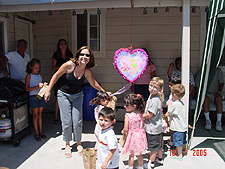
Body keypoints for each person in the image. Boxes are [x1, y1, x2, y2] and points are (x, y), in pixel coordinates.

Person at [44, 46, 108, 158]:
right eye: (82, 54)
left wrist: (104, 91)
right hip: (64, 94)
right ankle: (68, 144)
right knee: (67, 120)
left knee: (77, 120)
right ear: (78, 55)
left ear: (90, 58)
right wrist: (48, 90)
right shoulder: (69, 65)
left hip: (78, 95)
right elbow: (56, 75)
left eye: (87, 55)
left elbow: (93, 83)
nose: (84, 57)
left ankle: (78, 143)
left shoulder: (87, 71)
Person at [121, 93, 147, 169]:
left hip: (132, 137)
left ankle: (130, 166)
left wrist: (123, 131)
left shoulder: (128, 116)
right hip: (140, 136)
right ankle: (141, 166)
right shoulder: (141, 114)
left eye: (127, 105)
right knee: (139, 154)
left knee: (131, 154)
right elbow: (142, 125)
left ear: (134, 106)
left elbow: (126, 129)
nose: (124, 106)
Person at [143, 77, 164, 169]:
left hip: (153, 128)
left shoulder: (155, 100)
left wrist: (140, 117)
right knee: (158, 145)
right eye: (151, 85)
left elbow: (150, 114)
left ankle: (151, 163)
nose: (152, 88)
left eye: (155, 87)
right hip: (155, 127)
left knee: (153, 147)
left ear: (159, 90)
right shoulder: (152, 96)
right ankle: (160, 159)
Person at [196, 67, 224, 131]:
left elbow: (221, 83)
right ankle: (208, 121)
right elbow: (197, 85)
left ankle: (219, 122)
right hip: (205, 94)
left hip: (215, 93)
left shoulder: (217, 70)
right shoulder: (202, 70)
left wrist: (218, 93)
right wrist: (198, 95)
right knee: (205, 99)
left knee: (218, 99)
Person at [52, 39, 73, 124]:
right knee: (58, 99)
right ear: (59, 46)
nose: (63, 45)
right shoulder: (56, 55)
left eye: (65, 44)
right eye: (61, 44)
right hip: (59, 78)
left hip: (68, 78)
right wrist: (63, 67)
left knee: (69, 98)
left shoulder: (69, 54)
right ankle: (56, 117)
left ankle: (67, 118)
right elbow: (53, 67)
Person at [25, 58, 47, 141]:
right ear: (31, 67)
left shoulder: (40, 76)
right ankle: (36, 133)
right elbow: (27, 88)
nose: (37, 70)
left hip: (40, 96)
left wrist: (44, 86)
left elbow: (42, 87)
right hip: (33, 97)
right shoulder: (29, 76)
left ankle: (41, 131)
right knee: (35, 115)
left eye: (38, 68)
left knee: (40, 114)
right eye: (35, 68)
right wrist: (37, 86)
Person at [166, 84, 188, 160]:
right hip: (183, 126)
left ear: (174, 95)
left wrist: (169, 105)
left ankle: (179, 155)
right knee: (183, 140)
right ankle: (183, 151)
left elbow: (170, 112)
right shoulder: (182, 103)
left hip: (178, 127)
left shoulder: (175, 104)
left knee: (178, 142)